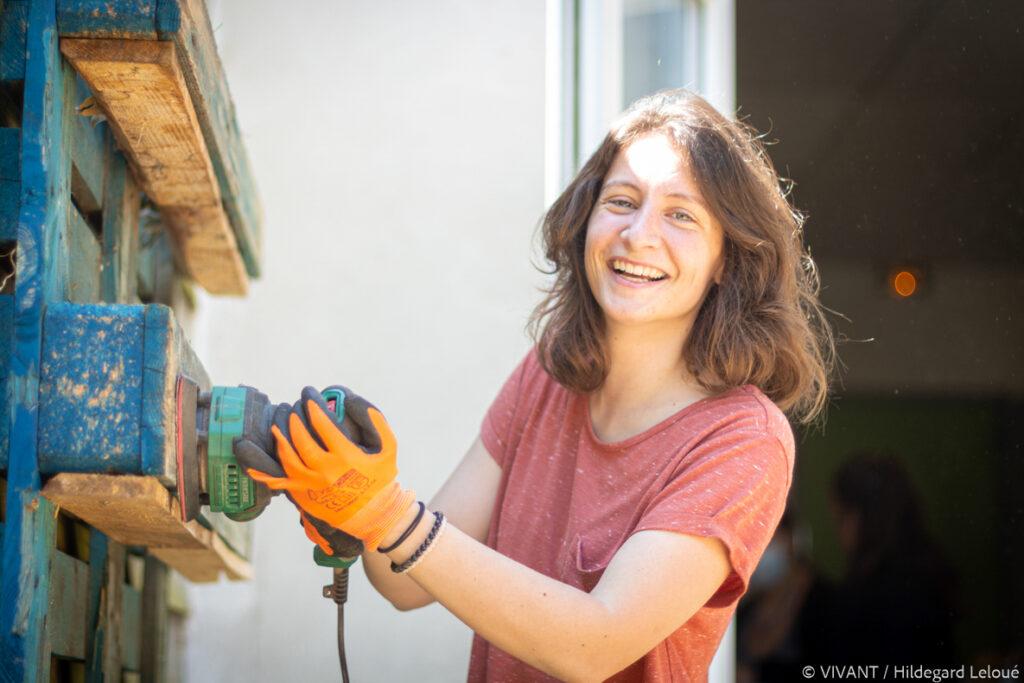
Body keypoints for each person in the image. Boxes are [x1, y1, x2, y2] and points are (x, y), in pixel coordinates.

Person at [236, 89, 834, 682]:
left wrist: (386, 514)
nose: (638, 234)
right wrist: (354, 509)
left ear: (727, 257)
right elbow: (402, 581)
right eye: (622, 201)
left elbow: (596, 644)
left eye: (681, 214)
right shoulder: (548, 376)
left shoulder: (743, 440)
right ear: (585, 222)